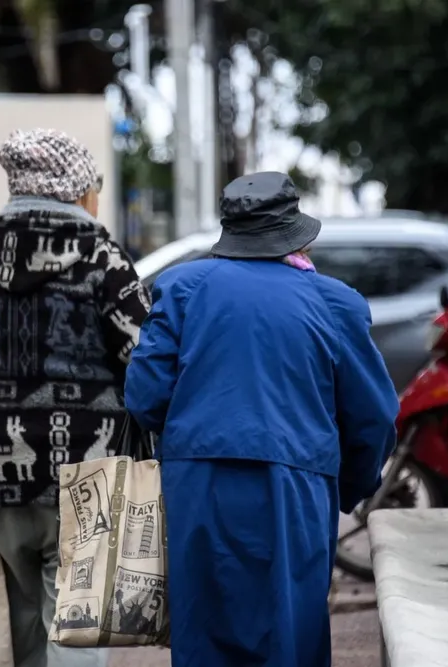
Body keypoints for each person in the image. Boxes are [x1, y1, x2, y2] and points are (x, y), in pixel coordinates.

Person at [125, 172, 398, 667]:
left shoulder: (182, 288)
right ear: (294, 234)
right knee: (289, 635)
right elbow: (374, 416)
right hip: (294, 488)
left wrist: (194, 429)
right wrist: (349, 487)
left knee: (204, 633)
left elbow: (144, 396)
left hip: (197, 486)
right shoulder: (335, 302)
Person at [0, 128, 151, 667]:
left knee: (12, 629)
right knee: (78, 627)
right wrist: (157, 445)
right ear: (75, 189)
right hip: (91, 464)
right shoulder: (105, 263)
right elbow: (145, 362)